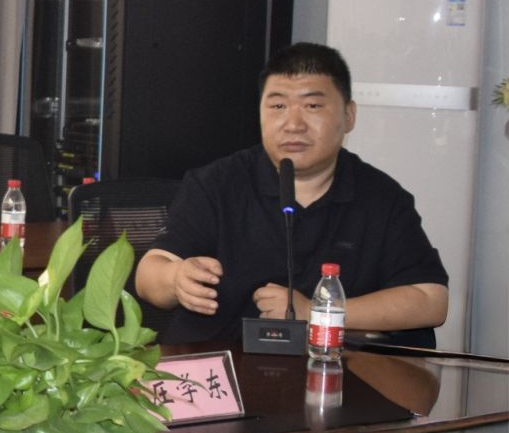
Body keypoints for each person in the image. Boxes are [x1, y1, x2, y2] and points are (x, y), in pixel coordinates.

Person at [135, 42, 449, 346]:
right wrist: (176, 278)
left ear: (349, 116)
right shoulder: (216, 184)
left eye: (312, 106)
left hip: (333, 371)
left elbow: (430, 300)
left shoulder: (381, 197)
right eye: (278, 106)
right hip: (223, 369)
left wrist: (317, 311)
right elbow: (149, 274)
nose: (293, 124)